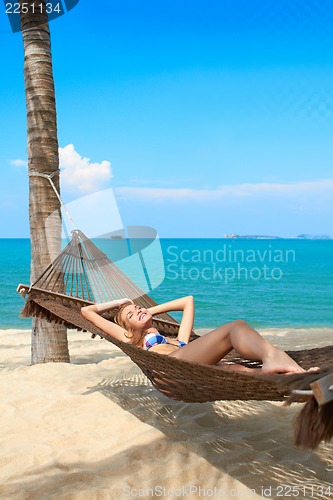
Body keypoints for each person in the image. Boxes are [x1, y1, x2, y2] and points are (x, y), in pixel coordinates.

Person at [81, 295, 317, 374]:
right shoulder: (130, 337)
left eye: (139, 307)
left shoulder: (178, 340)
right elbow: (86, 311)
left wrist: (146, 311)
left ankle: (297, 376)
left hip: (187, 361)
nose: (139, 310)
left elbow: (187, 301)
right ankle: (272, 359)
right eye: (132, 314)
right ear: (128, 327)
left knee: (235, 370)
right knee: (235, 327)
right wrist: (122, 302)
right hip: (172, 367)